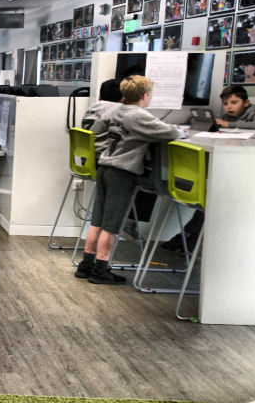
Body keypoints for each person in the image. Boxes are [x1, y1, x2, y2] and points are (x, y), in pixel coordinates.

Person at [77, 75, 186, 284]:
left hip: (104, 168)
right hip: (122, 173)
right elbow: (171, 132)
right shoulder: (139, 115)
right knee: (112, 225)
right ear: (145, 96)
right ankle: (101, 269)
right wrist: (182, 131)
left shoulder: (117, 110)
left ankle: (86, 265)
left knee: (97, 221)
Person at [80, 78, 124, 156]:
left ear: (99, 96)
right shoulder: (118, 109)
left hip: (86, 156)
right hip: (102, 159)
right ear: (122, 98)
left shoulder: (92, 107)